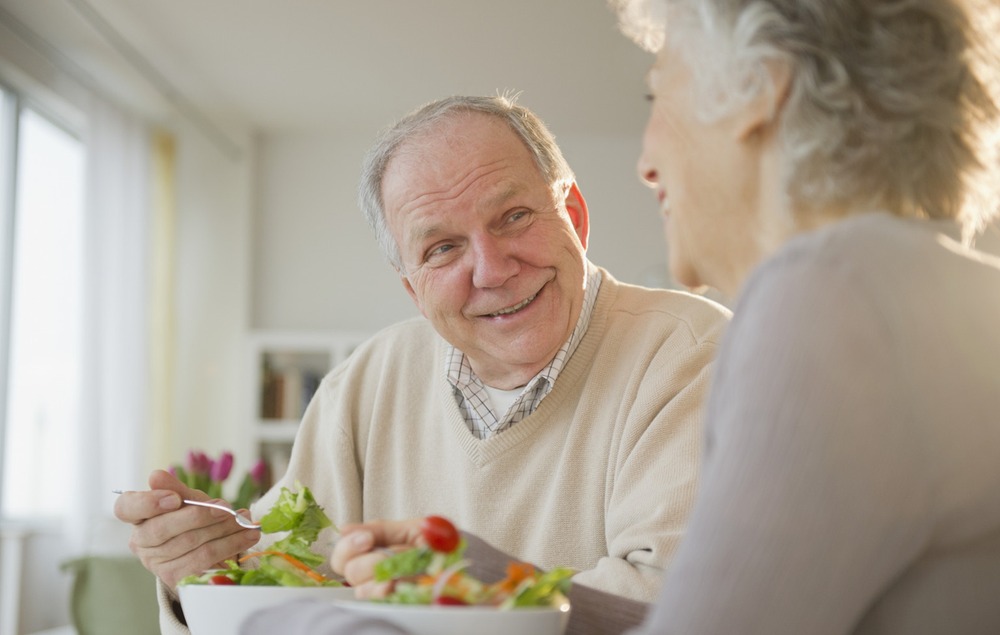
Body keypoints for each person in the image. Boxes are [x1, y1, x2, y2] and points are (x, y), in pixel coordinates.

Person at [253, 0, 1000, 633]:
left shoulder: (827, 298)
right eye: (444, 247)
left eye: (657, 97)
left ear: (758, 94)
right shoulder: (932, 289)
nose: (646, 161)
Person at [114, 94, 732, 635]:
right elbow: (289, 587)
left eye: (513, 217)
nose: (491, 270)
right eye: (442, 248)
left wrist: (471, 594)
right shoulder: (363, 383)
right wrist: (201, 574)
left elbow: (687, 606)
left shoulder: (693, 352)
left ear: (572, 216)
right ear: (413, 287)